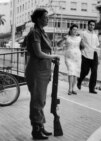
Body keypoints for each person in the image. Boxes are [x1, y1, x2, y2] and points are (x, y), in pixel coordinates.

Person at [25, 8, 60, 140]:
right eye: (46, 17)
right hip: (36, 70)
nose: (48, 19)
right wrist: (54, 56)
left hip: (43, 69)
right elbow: (39, 53)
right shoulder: (34, 33)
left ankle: (40, 125)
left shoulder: (41, 32)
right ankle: (36, 130)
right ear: (39, 18)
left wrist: (51, 58)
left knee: (41, 100)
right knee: (37, 100)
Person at [77, 20, 100, 94]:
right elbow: (79, 42)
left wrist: (98, 58)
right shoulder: (83, 33)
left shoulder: (95, 35)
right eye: (90, 25)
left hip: (94, 54)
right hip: (85, 54)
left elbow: (97, 46)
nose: (92, 26)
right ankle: (79, 80)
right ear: (88, 25)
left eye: (93, 25)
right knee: (85, 71)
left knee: (94, 71)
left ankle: (92, 88)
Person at [58, 24, 82, 95]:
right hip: (69, 57)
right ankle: (70, 89)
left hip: (77, 57)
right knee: (71, 71)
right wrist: (63, 39)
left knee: (75, 73)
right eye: (74, 29)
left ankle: (73, 88)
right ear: (70, 30)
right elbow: (59, 45)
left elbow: (83, 46)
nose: (75, 31)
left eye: (76, 29)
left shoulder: (79, 38)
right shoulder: (67, 37)